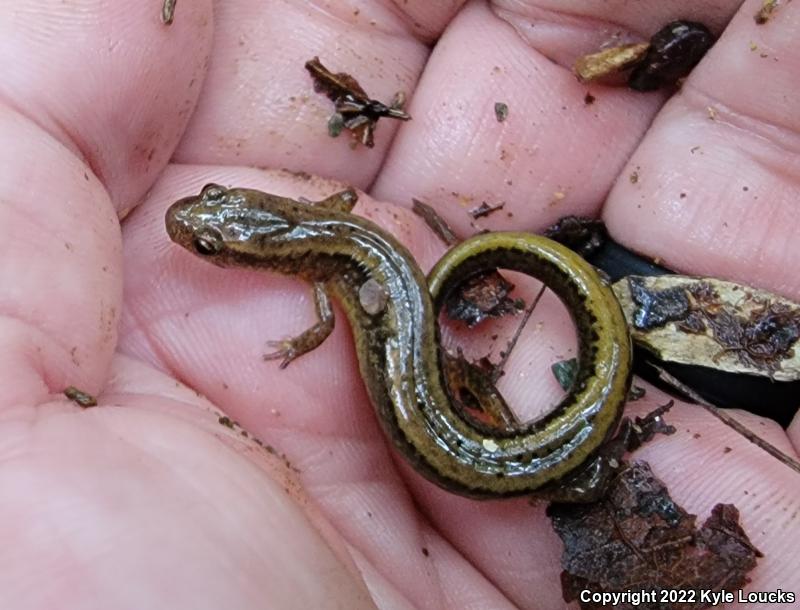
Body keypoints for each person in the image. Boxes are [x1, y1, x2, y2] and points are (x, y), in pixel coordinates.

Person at [2, 1, 797, 607]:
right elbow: (339, 228)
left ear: (270, 246)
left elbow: (321, 320)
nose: (202, 237)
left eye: (214, 240)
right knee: (543, 440)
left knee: (546, 452)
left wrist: (301, 347)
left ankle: (575, 425)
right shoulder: (328, 237)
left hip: (479, 449)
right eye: (215, 232)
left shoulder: (323, 274)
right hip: (470, 450)